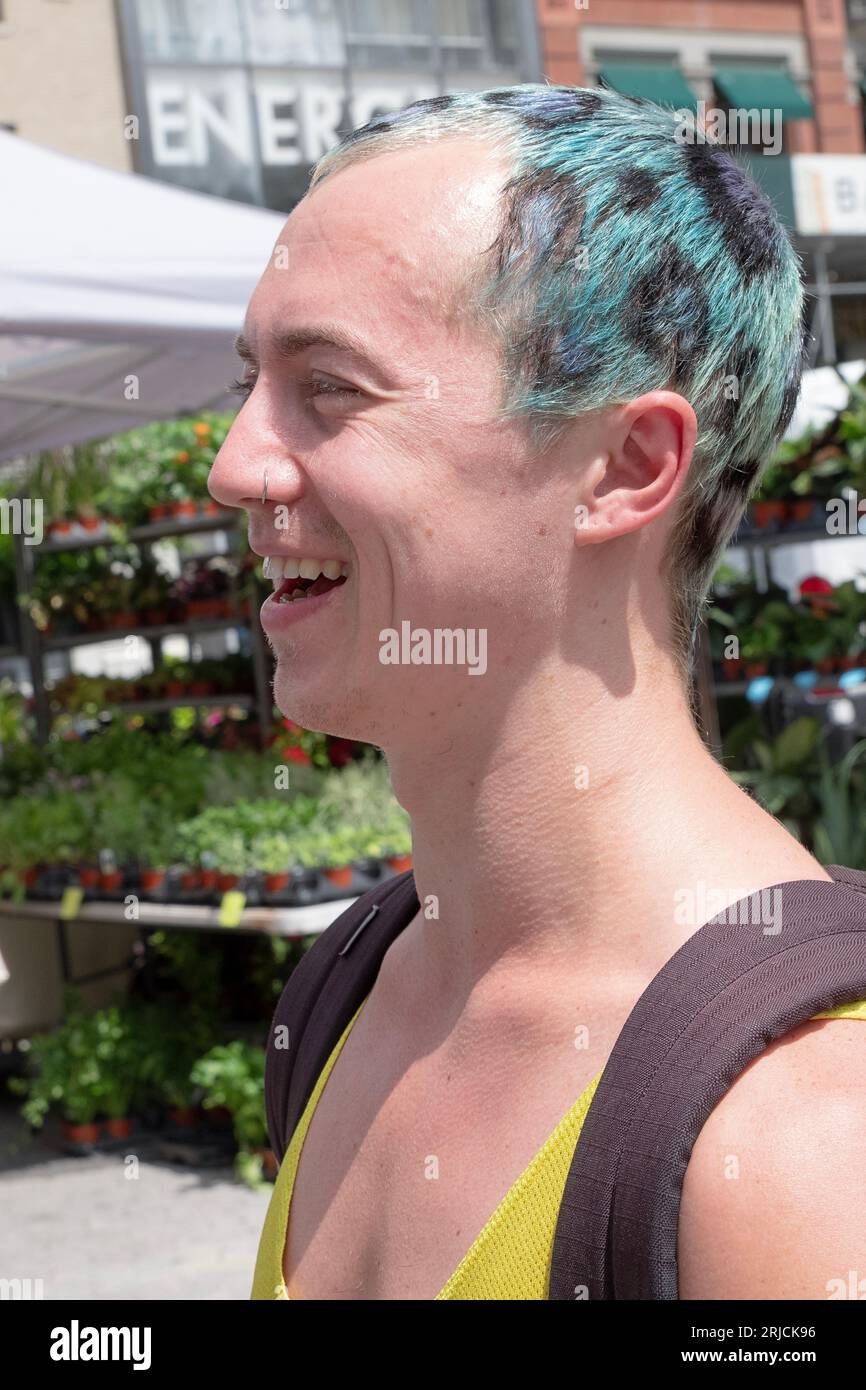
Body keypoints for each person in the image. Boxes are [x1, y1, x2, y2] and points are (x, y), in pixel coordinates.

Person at [208, 85, 866, 1300]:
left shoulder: (796, 1137)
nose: (233, 463)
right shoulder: (355, 987)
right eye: (248, 380)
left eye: (331, 388)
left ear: (623, 467)